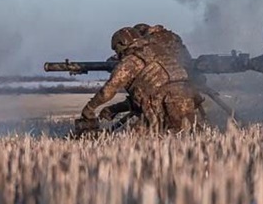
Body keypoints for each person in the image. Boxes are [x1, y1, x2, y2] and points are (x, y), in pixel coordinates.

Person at [77, 26, 206, 133]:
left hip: (165, 108)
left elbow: (107, 91)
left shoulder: (131, 61)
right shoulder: (159, 51)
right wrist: (114, 109)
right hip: (187, 102)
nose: (117, 54)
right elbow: (146, 96)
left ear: (122, 45)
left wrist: (89, 108)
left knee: (133, 144)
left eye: (117, 49)